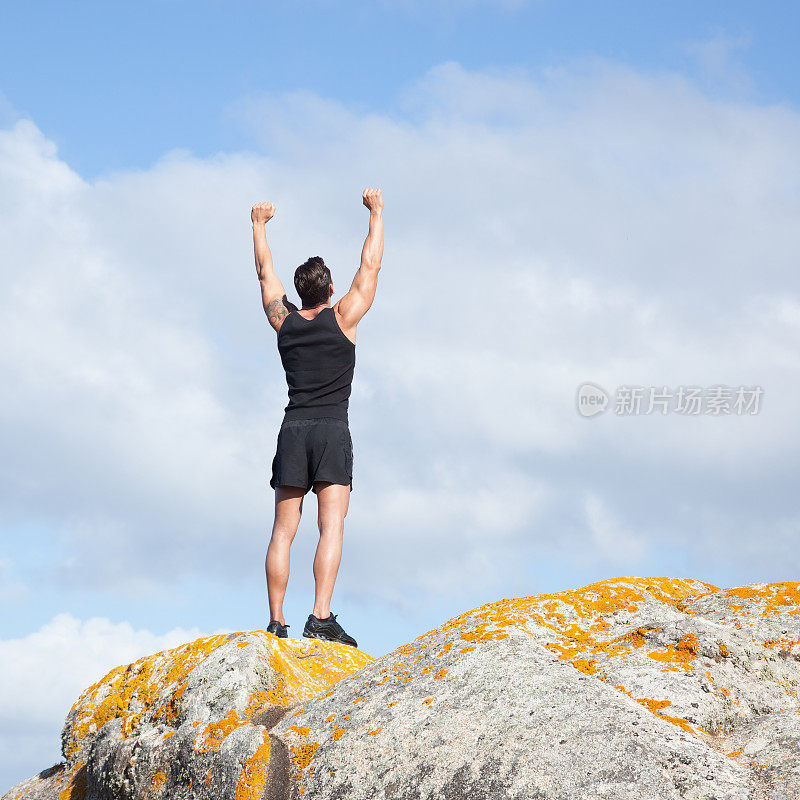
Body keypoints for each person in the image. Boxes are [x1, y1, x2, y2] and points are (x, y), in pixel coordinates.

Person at [251, 187, 384, 648]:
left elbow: (265, 274)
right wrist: (376, 213)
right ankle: (320, 617)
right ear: (329, 290)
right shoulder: (344, 317)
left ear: (298, 291)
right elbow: (370, 268)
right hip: (331, 431)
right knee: (332, 527)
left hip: (293, 430)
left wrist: (259, 226)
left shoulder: (282, 322)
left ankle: (276, 621)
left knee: (283, 530)